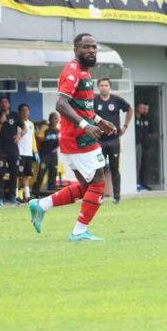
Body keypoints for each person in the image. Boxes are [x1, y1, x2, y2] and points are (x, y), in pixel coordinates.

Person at [28, 34, 117, 241]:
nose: (92, 50)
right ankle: (78, 231)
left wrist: (99, 119)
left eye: (94, 47)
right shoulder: (72, 72)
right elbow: (61, 104)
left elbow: (81, 106)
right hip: (78, 138)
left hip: (78, 137)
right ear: (76, 50)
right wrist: (85, 125)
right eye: (87, 47)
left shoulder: (85, 72)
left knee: (88, 187)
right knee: (98, 185)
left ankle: (41, 205)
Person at [94, 77, 131, 203]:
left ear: (110, 87)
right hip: (99, 141)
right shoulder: (94, 101)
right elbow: (87, 114)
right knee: (100, 169)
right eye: (101, 85)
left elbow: (129, 109)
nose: (104, 87)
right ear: (98, 87)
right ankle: (100, 196)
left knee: (115, 168)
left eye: (106, 85)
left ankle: (117, 196)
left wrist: (125, 126)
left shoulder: (116, 100)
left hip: (114, 140)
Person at [0, 96, 24, 206]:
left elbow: (24, 128)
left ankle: (13, 196)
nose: (3, 104)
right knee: (0, 174)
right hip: (0, 150)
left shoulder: (15, 115)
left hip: (13, 150)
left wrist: (20, 134)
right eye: (1, 102)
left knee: (14, 174)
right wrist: (0, 122)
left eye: (5, 102)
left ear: (9, 104)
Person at [17, 103, 39, 203]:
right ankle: (16, 195)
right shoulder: (18, 123)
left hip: (28, 153)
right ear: (19, 112)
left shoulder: (31, 124)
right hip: (19, 152)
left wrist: (35, 151)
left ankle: (27, 195)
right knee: (18, 175)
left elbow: (32, 138)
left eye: (27, 110)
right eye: (23, 110)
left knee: (27, 175)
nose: (25, 112)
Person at [34, 112, 60, 197]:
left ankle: (51, 193)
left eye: (56, 118)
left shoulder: (58, 131)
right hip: (45, 155)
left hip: (53, 155)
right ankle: (36, 192)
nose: (55, 120)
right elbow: (38, 139)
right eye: (53, 118)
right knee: (41, 173)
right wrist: (48, 138)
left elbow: (61, 142)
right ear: (49, 119)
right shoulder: (45, 128)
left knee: (53, 173)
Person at [135, 102, 153, 190]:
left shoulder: (143, 118)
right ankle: (136, 183)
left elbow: (150, 131)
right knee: (136, 164)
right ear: (137, 108)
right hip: (135, 144)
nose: (143, 110)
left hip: (142, 145)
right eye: (141, 107)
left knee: (140, 164)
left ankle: (140, 183)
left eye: (144, 108)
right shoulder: (135, 118)